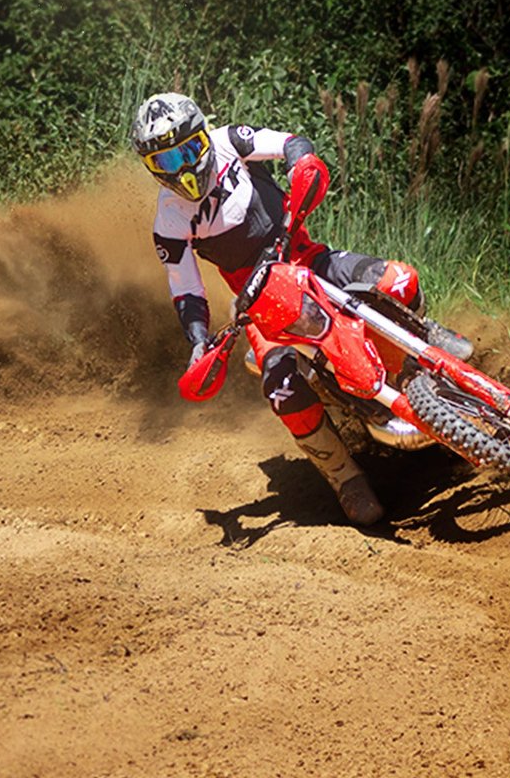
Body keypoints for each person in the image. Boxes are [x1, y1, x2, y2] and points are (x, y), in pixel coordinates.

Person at [133, 91, 460, 527]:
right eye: (166, 163)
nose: (182, 169)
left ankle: (424, 337)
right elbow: (186, 291)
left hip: (306, 256)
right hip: (261, 303)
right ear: (152, 169)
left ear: (202, 138)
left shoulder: (231, 141)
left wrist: (302, 163)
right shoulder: (169, 222)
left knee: (400, 280)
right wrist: (197, 342)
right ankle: (346, 480)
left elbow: (290, 142)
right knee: (281, 388)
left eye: (187, 152)